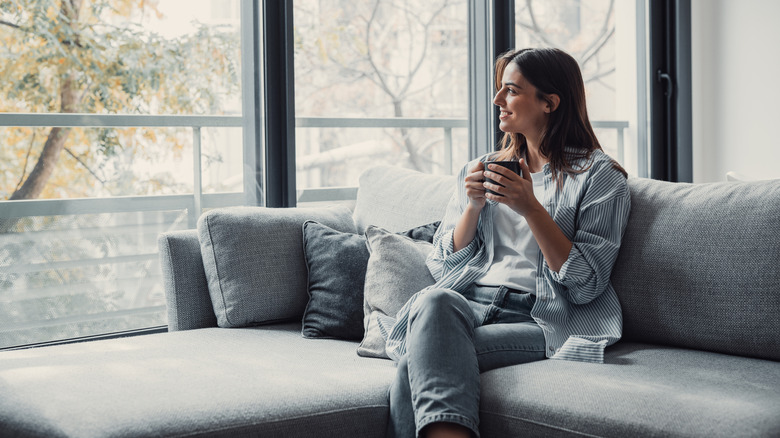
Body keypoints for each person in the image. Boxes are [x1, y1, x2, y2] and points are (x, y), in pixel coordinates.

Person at [383, 47, 632, 438]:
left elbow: (587, 285)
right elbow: (441, 266)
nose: (498, 100)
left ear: (549, 102)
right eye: (500, 90)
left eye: (511, 90)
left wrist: (531, 208)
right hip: (467, 305)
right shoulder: (482, 167)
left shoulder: (599, 177)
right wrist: (472, 208)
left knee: (413, 364)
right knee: (434, 298)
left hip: (538, 317)